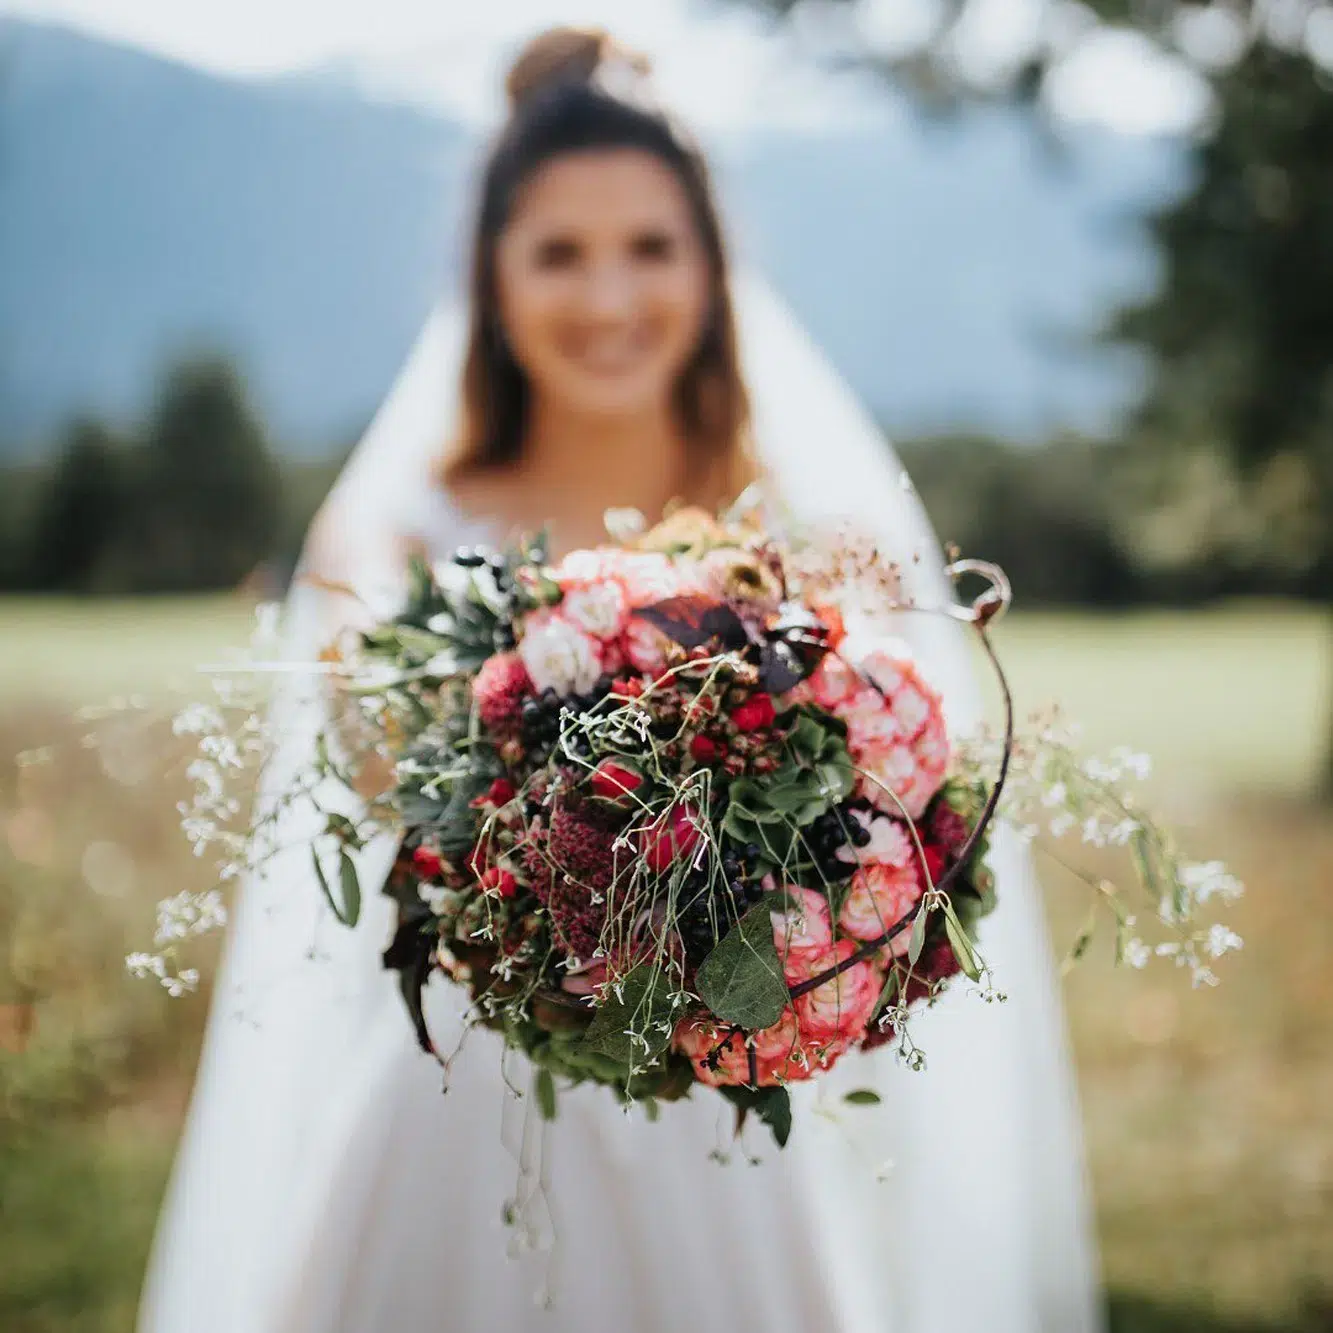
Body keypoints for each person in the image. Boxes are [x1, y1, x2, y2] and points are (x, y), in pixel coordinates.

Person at [139, 28, 1101, 1333]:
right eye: (559, 253)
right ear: (490, 276)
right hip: (458, 1115)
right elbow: (387, 789)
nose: (608, 299)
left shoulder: (812, 533)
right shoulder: (394, 535)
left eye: (651, 247)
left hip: (733, 1137)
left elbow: (894, 784)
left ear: (713, 265)